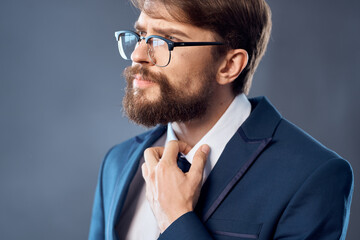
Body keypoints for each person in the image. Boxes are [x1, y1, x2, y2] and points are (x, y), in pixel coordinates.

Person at [89, 0, 354, 239]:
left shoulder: (313, 177)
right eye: (142, 35)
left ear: (229, 65)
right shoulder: (117, 163)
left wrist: (176, 219)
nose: (138, 54)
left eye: (167, 39)